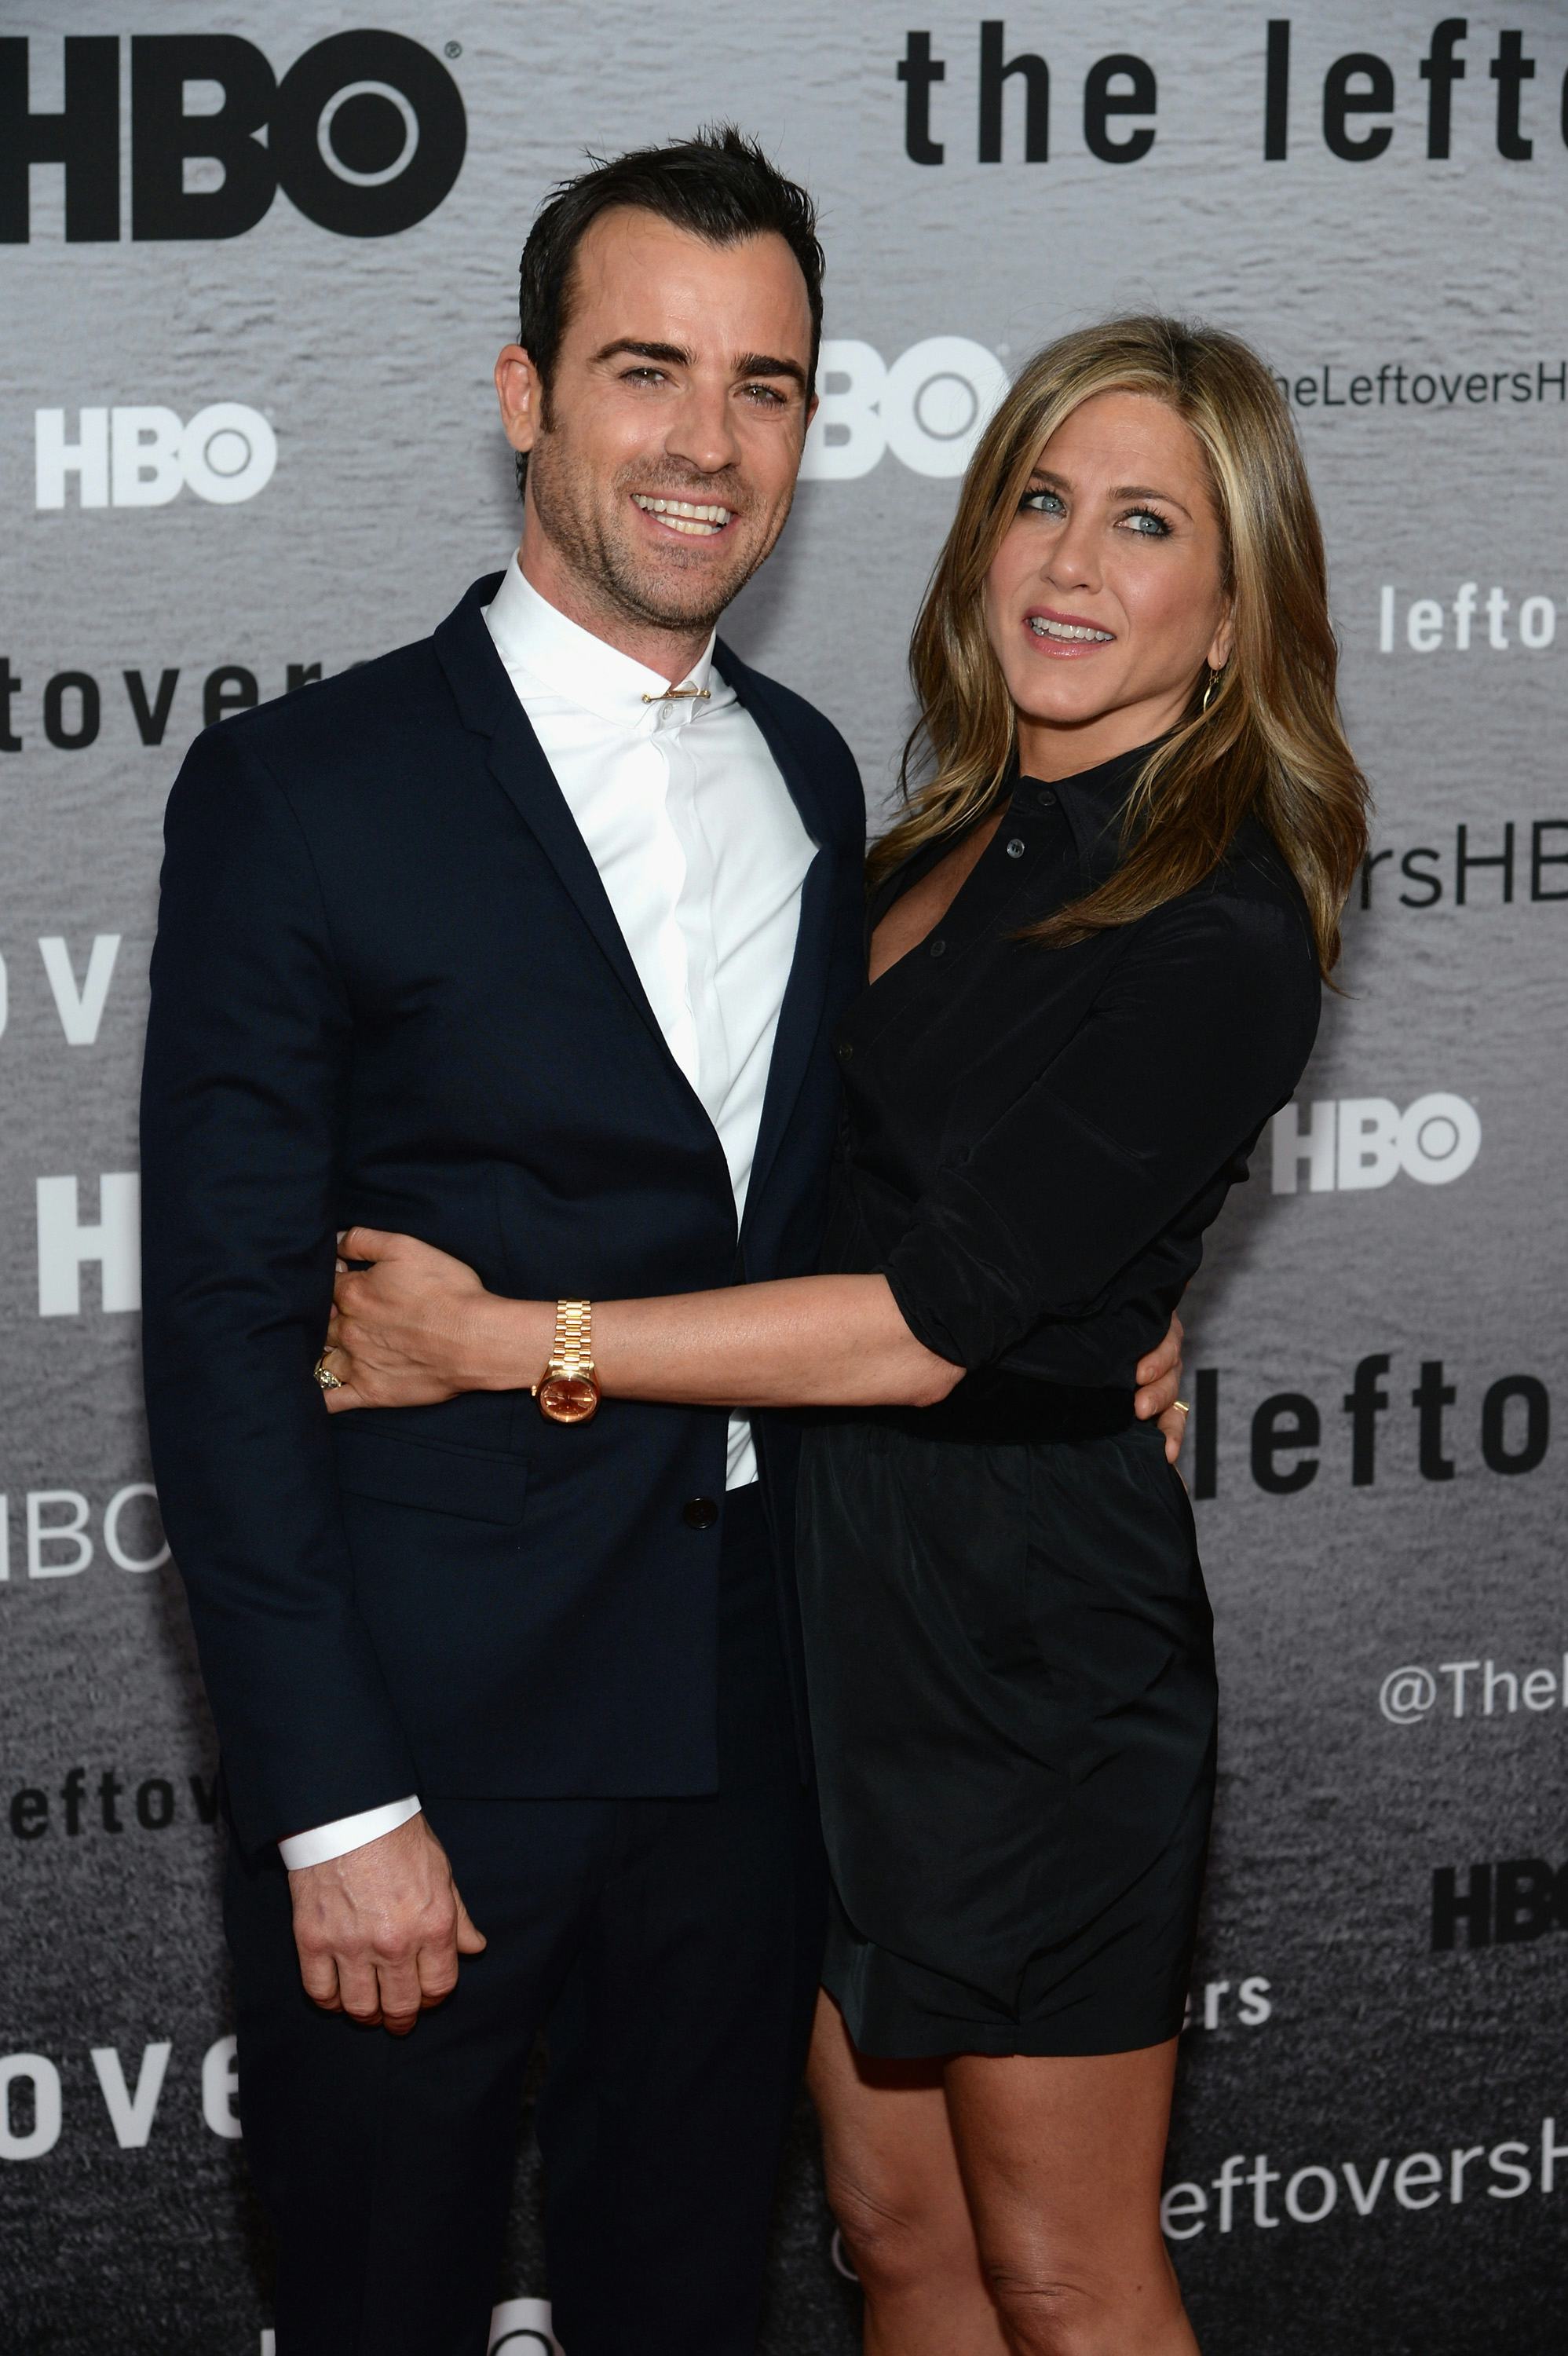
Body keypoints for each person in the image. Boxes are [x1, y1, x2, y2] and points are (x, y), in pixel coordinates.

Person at [139, 132, 1186, 2356]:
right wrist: (333, 1802)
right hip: (430, 1734)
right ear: (526, 392)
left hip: (755, 1719)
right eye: (647, 371)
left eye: (764, 386)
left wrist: (1094, 1331)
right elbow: (223, 1342)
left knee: (690, 2301)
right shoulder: (303, 790)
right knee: (381, 2304)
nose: (708, 442)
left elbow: (879, 1218)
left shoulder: (817, 780)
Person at [321, 316, 1369, 2355]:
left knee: (1066, 2275)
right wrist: (1114, 1319)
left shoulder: (1224, 923)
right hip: (824, 1625)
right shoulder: (912, 843)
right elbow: (832, 1193)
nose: (1071, 563)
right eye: (1039, 501)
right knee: (899, 2244)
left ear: (1239, 613)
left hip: (1030, 1667)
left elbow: (925, 1327)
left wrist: (509, 1340)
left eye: (1147, 524)